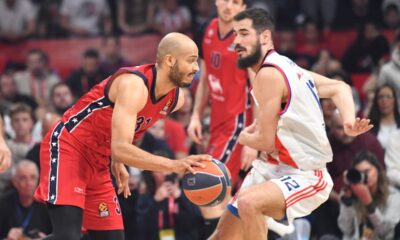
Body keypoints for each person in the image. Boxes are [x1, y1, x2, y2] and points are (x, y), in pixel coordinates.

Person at [210, 8, 374, 240]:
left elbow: (264, 142)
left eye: (243, 33)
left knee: (248, 203)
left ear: (265, 36)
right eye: (234, 34)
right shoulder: (287, 66)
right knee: (221, 236)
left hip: (304, 174)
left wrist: (243, 137)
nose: (236, 41)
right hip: (270, 168)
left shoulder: (269, 74)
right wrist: (348, 121)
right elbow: (339, 88)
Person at [34, 32, 211, 240]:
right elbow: (121, 147)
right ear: (170, 60)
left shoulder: (176, 99)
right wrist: (174, 164)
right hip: (70, 146)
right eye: (191, 60)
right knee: (68, 236)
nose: (196, 68)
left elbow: (126, 131)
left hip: (100, 159)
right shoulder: (134, 86)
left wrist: (117, 160)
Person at [187, 0, 256, 236]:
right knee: (225, 194)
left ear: (243, 6)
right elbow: (205, 75)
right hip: (217, 121)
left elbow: (258, 86)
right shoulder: (206, 29)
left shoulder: (245, 37)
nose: (229, 6)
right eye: (225, 0)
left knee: (208, 182)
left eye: (235, 2)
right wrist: (196, 115)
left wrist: (253, 138)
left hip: (239, 123)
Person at [338, 151, 400, 240]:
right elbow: (346, 230)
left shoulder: (394, 196)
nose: (364, 176)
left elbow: (386, 232)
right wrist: (347, 202)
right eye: (359, 173)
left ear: (378, 170)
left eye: (367, 171)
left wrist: (369, 203)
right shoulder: (352, 193)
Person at [0, 160, 52, 239]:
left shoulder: (47, 205)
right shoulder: (2, 203)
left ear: (38, 180)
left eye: (33, 177)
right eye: (23, 178)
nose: (29, 183)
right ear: (14, 181)